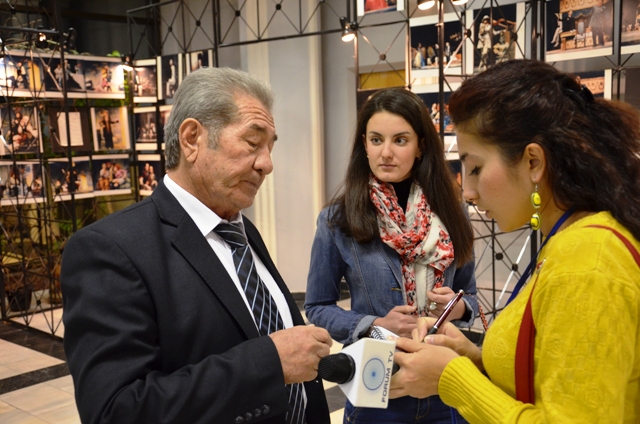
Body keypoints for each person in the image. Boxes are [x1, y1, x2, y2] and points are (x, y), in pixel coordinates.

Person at [61, 66, 333, 424]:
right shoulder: (109, 250)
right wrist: (268, 363)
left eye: (270, 147)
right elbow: (116, 411)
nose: (267, 164)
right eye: (253, 143)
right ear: (192, 139)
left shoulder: (241, 231)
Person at [389, 59, 640, 422]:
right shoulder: (571, 242)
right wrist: (473, 359)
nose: (468, 191)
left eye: (475, 168)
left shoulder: (587, 261)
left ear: (533, 162)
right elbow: (545, 374)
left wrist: (453, 379)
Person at [305, 87, 479, 423]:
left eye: (400, 140)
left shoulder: (452, 213)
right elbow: (317, 306)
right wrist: (375, 325)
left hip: (444, 382)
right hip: (378, 387)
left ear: (420, 147)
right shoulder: (338, 219)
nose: (386, 152)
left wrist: (458, 307)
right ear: (364, 145)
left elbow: (468, 294)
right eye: (376, 140)